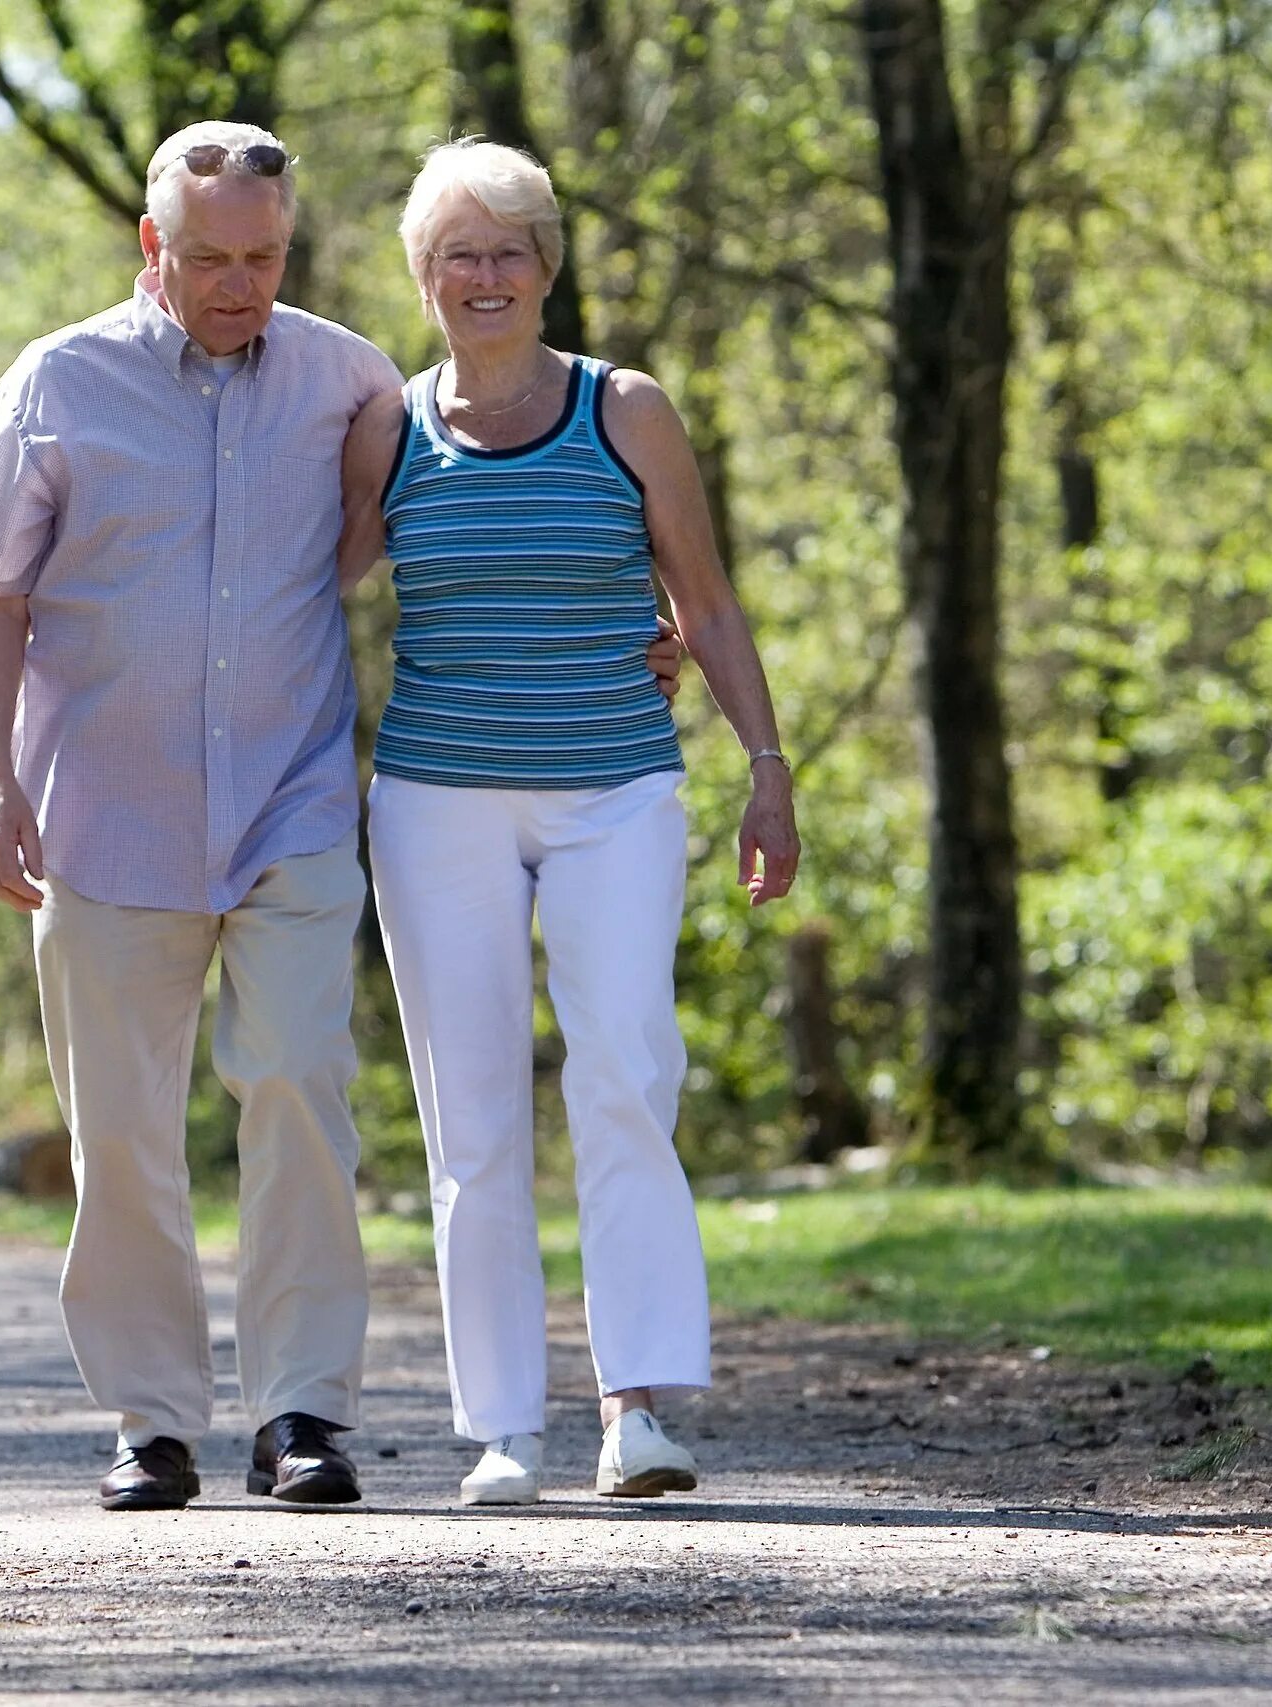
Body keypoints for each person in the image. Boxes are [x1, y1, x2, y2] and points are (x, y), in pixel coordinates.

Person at [337, 138, 800, 1506]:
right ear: (424, 278)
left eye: (509, 250)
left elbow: (705, 603)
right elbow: (307, 587)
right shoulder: (390, 426)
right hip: (435, 804)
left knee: (625, 1072)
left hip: (616, 791)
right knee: (470, 1116)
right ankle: (499, 1431)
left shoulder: (627, 410)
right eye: (457, 254)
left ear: (548, 268)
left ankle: (637, 1409)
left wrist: (766, 765)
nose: (485, 275)